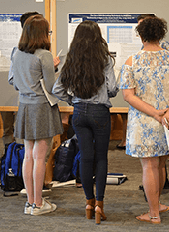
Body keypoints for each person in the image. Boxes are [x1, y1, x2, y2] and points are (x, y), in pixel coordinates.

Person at [120, 17, 169, 224]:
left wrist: (153, 113)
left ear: (140, 36)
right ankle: (157, 205)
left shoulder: (132, 61)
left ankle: (153, 213)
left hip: (145, 122)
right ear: (161, 35)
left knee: (149, 167)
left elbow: (128, 95)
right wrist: (167, 114)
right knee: (160, 165)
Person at [53, 20, 118, 224]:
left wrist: (73, 100)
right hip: (100, 112)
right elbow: (113, 89)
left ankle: (88, 203)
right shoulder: (105, 59)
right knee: (101, 158)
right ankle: (99, 204)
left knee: (85, 157)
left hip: (79, 112)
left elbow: (57, 90)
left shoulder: (72, 58)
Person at [11, 14, 63, 215]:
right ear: (43, 34)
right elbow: (51, 87)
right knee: (41, 158)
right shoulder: (44, 55)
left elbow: (15, 83)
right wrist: (55, 70)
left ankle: (30, 203)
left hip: (24, 106)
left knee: (28, 156)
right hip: (42, 107)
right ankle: (39, 204)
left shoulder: (17, 53)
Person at [0, 11, 49, 165]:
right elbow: (12, 78)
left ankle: (17, 162)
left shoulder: (35, 51)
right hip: (22, 98)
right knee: (11, 130)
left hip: (27, 99)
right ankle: (10, 159)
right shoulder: (19, 50)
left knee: (29, 145)